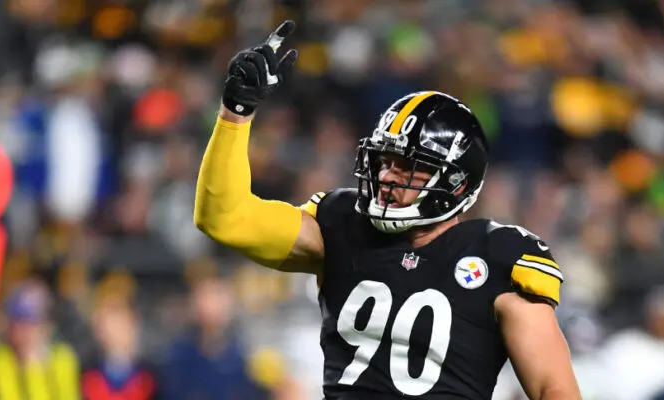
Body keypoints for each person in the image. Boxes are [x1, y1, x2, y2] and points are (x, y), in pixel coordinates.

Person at [194, 20, 581, 400]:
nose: (388, 177)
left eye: (407, 168)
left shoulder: (497, 258)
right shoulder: (341, 225)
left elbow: (554, 388)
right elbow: (224, 217)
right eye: (384, 161)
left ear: (455, 183)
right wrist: (236, 112)